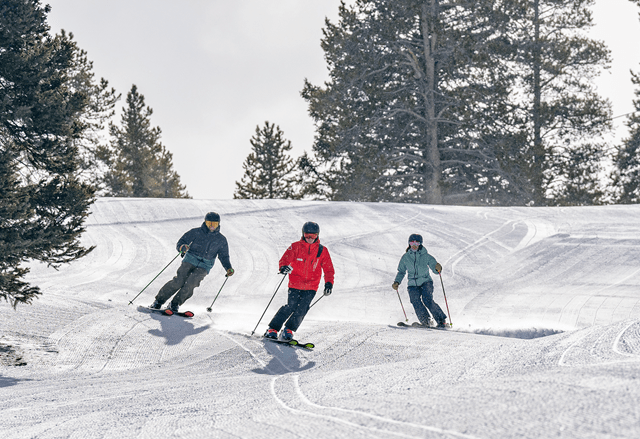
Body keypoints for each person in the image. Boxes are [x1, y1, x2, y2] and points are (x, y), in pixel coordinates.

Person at [264, 221, 335, 341]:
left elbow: (329, 270)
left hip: (311, 286)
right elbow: (285, 259)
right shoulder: (295, 247)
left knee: (302, 308)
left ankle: (288, 330)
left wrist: (329, 283)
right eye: (307, 235)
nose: (310, 238)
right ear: (303, 234)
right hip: (295, 284)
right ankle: (273, 329)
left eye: (313, 236)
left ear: (317, 235)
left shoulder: (322, 250)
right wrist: (283, 267)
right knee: (290, 306)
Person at [151, 212, 234, 313]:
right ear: (205, 222)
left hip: (205, 265)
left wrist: (228, 268)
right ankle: (158, 301)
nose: (212, 226)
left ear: (219, 224)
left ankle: (175, 304)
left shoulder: (221, 240)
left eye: (215, 224)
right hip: (190, 260)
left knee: (191, 284)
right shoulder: (195, 232)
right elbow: (181, 242)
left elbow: (224, 256)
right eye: (209, 223)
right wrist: (182, 247)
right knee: (179, 281)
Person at [392, 233, 447, 328]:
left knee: (427, 299)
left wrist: (438, 268)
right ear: (409, 244)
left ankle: (441, 321)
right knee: (415, 300)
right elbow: (401, 271)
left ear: (420, 244)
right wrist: (397, 282)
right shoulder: (405, 257)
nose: (414, 245)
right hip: (412, 284)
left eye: (417, 243)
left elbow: (435, 268)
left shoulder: (426, 256)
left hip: (426, 282)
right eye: (412, 242)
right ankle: (426, 321)